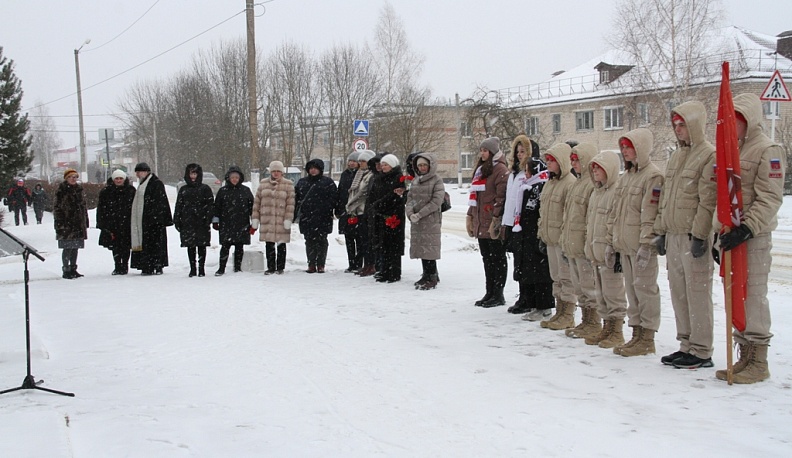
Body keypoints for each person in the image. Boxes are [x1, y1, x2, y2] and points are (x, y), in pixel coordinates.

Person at [713, 93, 785, 384]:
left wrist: (747, 229)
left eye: (738, 120)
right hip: (732, 237)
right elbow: (723, 196)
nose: (734, 125)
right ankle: (743, 353)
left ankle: (758, 359)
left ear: (750, 120)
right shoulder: (732, 150)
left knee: (752, 295)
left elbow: (770, 198)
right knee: (736, 294)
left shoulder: (768, 149)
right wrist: (719, 234)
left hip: (753, 237)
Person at [654, 101, 717, 369]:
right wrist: (661, 231)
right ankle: (686, 344)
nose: (678, 130)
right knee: (679, 292)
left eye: (683, 125)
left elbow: (708, 200)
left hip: (693, 236)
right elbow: (665, 198)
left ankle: (701, 350)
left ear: (695, 125)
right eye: (675, 125)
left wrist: (700, 235)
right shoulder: (676, 156)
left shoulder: (709, 155)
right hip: (674, 235)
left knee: (697, 293)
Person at [607, 129, 664, 357]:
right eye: (622, 147)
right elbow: (615, 213)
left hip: (641, 247)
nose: (624, 151)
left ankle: (647, 337)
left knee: (645, 291)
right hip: (626, 245)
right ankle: (636, 334)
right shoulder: (626, 177)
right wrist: (612, 241)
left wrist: (647, 244)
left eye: (628, 147)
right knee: (632, 292)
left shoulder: (653, 177)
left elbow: (651, 213)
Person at [502, 135, 553, 318]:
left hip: (531, 230)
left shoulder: (537, 182)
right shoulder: (515, 174)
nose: (519, 155)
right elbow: (512, 200)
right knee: (522, 264)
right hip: (517, 225)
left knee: (536, 269)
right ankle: (526, 298)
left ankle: (534, 301)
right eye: (517, 152)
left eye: (523, 151)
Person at [583, 152, 628, 349]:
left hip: (609, 253)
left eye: (599, 168)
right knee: (601, 294)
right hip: (596, 252)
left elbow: (615, 222)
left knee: (613, 292)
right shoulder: (595, 193)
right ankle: (606, 327)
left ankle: (617, 331)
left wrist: (612, 246)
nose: (595, 172)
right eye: (593, 168)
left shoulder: (616, 192)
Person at [560, 142, 600, 339]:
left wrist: (587, 243)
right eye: (572, 160)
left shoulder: (591, 185)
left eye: (577, 160)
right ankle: (585, 320)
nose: (573, 164)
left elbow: (590, 218)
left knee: (589, 286)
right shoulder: (576, 184)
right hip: (572, 245)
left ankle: (594, 322)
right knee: (579, 286)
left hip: (583, 246)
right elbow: (568, 217)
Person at [536, 143, 577, 328]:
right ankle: (559, 311)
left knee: (566, 278)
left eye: (552, 160)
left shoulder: (569, 184)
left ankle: (568, 314)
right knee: (556, 277)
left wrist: (566, 240)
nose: (548, 163)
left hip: (562, 240)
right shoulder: (550, 183)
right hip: (550, 239)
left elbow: (569, 216)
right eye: (547, 160)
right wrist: (541, 234)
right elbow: (543, 213)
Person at [466, 137, 509, 307]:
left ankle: (498, 294)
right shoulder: (481, 170)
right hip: (481, 221)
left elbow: (501, 197)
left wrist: (496, 218)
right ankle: (489, 291)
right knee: (487, 259)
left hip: (492, 222)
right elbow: (475, 197)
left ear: (492, 152)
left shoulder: (500, 170)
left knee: (497, 259)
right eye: (481, 150)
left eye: (485, 151)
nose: (482, 154)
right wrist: (470, 216)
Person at [406, 152, 445, 290]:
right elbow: (410, 199)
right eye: (420, 165)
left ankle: (432, 276)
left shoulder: (437, 180)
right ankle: (426, 274)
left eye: (424, 165)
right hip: (417, 221)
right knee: (421, 247)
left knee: (430, 248)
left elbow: (436, 201)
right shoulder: (415, 181)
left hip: (430, 220)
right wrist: (410, 213)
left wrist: (420, 214)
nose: (422, 168)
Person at [294, 158, 338, 273]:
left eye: (315, 168)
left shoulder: (328, 182)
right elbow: (296, 199)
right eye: (311, 168)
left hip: (323, 217)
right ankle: (311, 263)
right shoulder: (302, 182)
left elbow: (334, 198)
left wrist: (328, 208)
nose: (313, 170)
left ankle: (321, 264)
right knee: (309, 241)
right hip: (307, 216)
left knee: (322, 241)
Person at [130, 162, 173, 276]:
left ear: (146, 172)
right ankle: (147, 265)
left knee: (156, 244)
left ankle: (157, 265)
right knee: (148, 244)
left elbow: (160, 202)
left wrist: (156, 217)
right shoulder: (143, 184)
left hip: (154, 221)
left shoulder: (155, 183)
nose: (138, 174)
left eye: (139, 172)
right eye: (137, 172)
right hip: (146, 221)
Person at [173, 163, 214, 277]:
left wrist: (208, 218)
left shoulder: (205, 189)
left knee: (202, 245)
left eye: (195, 174)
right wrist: (177, 219)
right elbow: (179, 205)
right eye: (191, 174)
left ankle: (201, 268)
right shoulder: (183, 189)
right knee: (190, 246)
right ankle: (192, 268)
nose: (193, 176)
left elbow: (210, 205)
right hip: (188, 221)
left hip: (202, 222)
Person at [252, 162, 293, 275]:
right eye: (274, 171)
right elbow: (257, 202)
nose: (276, 173)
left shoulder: (288, 184)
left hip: (281, 220)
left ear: (282, 172)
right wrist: (255, 218)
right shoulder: (263, 184)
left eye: (278, 171)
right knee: (269, 244)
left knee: (281, 245)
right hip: (267, 219)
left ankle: (280, 267)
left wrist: (288, 218)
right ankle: (270, 267)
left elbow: (290, 203)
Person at [372, 153, 406, 283]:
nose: (383, 167)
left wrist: (379, 204)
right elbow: (375, 193)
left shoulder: (398, 178)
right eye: (382, 164)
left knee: (394, 245)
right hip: (381, 214)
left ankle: (394, 272)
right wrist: (375, 205)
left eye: (386, 164)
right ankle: (384, 270)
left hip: (394, 214)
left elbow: (395, 195)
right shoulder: (380, 178)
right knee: (383, 244)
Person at [96, 170, 136, 275]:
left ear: (124, 179)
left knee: (126, 246)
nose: (118, 181)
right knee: (115, 246)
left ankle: (125, 265)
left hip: (127, 223)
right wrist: (102, 223)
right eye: (116, 179)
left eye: (120, 178)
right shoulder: (106, 191)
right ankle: (117, 265)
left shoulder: (131, 190)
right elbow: (101, 208)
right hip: (112, 223)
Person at [53, 169, 89, 279]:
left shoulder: (79, 190)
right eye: (70, 177)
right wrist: (61, 223)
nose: (73, 179)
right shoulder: (62, 190)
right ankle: (66, 269)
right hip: (66, 224)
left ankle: (73, 268)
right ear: (66, 178)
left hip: (78, 223)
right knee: (67, 247)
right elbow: (57, 208)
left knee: (75, 247)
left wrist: (85, 220)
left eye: (75, 177)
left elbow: (83, 206)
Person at [346, 150, 376, 276]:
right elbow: (353, 190)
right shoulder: (359, 174)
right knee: (362, 239)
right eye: (360, 161)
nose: (360, 163)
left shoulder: (370, 175)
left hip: (364, 209)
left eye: (363, 161)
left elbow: (362, 193)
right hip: (357, 211)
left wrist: (350, 204)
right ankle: (365, 265)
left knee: (367, 239)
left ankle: (370, 265)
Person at [337, 151, 360, 272]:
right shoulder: (345, 174)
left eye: (354, 161)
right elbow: (341, 191)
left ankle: (359, 263)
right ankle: (351, 263)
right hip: (345, 210)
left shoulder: (361, 174)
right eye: (350, 161)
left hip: (357, 210)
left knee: (359, 239)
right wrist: (339, 208)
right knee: (349, 239)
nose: (351, 163)